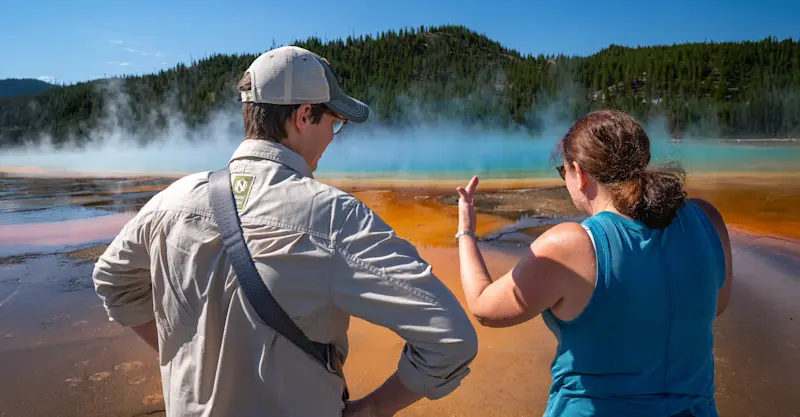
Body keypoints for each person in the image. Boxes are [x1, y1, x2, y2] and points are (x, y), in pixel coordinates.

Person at [92, 45, 478, 417]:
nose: (332, 136)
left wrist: (180, 354)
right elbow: (451, 338)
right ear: (304, 115)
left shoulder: (168, 203)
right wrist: (374, 409)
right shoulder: (333, 217)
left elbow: (111, 279)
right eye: (335, 122)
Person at [454, 109, 733, 417]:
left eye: (564, 172)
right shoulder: (707, 219)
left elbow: (484, 308)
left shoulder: (570, 245)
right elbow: (715, 304)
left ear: (580, 172)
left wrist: (466, 231)